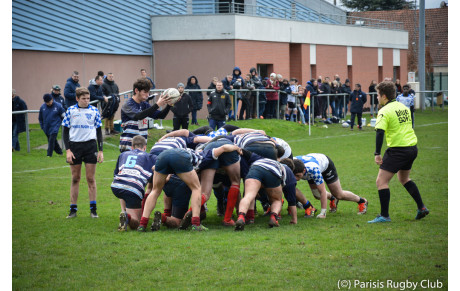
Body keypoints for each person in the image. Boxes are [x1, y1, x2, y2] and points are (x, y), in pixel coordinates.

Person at [369, 81, 428, 223]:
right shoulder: (403, 107)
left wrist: (377, 153)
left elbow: (379, 132)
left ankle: (384, 216)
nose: (377, 98)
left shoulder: (384, 110)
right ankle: (422, 208)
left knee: (381, 181)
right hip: (412, 148)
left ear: (383, 96)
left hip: (398, 150)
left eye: (377, 95)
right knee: (404, 179)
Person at [61, 87, 104, 218]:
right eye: (84, 99)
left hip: (90, 146)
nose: (86, 101)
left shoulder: (94, 111)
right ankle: (73, 210)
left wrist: (100, 150)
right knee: (75, 178)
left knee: (90, 178)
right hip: (75, 147)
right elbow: (65, 131)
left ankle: (93, 210)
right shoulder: (71, 110)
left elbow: (98, 131)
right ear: (77, 99)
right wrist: (68, 150)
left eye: (88, 98)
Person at [294, 153, 368, 219]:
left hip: (325, 166)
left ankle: (362, 201)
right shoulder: (290, 165)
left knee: (339, 194)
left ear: (303, 171)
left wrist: (323, 213)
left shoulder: (313, 170)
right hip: (311, 166)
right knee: (317, 196)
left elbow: (322, 191)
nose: (296, 179)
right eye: (294, 175)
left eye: (298, 176)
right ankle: (333, 198)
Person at [111, 135, 156, 231]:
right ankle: (128, 217)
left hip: (116, 185)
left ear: (132, 147)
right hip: (133, 188)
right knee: (137, 223)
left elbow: (116, 174)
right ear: (145, 147)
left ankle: (124, 211)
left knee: (124, 183)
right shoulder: (150, 157)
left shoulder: (123, 154)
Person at [119, 78, 171, 152]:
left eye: (148, 92)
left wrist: (169, 105)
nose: (147, 95)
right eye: (145, 92)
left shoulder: (144, 104)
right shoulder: (128, 104)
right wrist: (157, 105)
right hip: (129, 146)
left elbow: (160, 115)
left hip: (141, 147)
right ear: (136, 91)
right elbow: (138, 116)